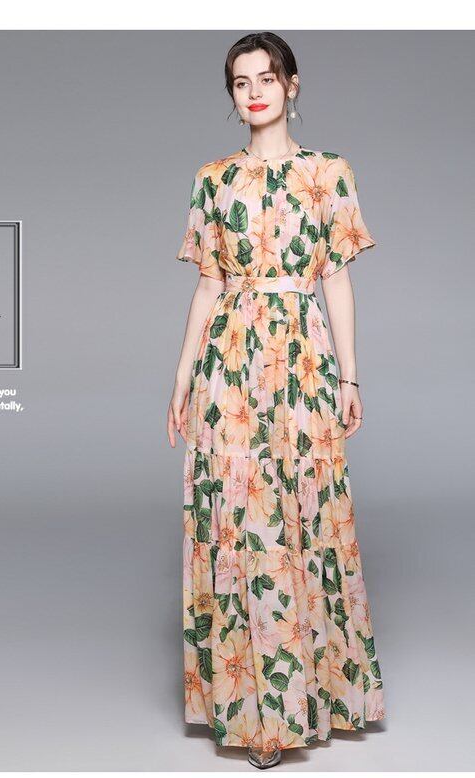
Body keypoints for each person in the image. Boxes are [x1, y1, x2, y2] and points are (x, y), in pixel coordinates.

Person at [167, 32, 386, 769]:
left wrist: (350, 378)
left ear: (292, 84)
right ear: (231, 96)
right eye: (241, 82)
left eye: (267, 77)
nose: (255, 91)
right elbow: (207, 285)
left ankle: (321, 696)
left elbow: (337, 280)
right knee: (243, 524)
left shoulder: (328, 173)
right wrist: (181, 378)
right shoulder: (213, 179)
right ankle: (259, 716)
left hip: (302, 362)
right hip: (228, 367)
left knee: (305, 513)